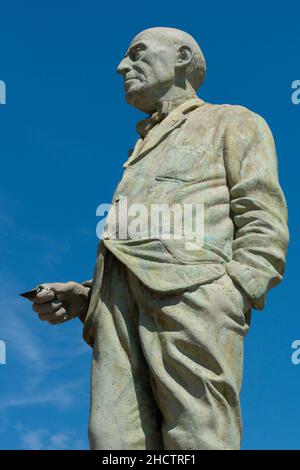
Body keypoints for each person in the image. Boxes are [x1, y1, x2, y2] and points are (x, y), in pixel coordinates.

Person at [30, 27, 289, 450]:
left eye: (136, 53)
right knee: (112, 441)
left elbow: (262, 215)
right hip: (114, 308)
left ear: (182, 57)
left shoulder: (234, 121)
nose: (120, 66)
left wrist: (234, 289)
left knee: (198, 436)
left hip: (195, 300)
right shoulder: (139, 145)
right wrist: (87, 296)